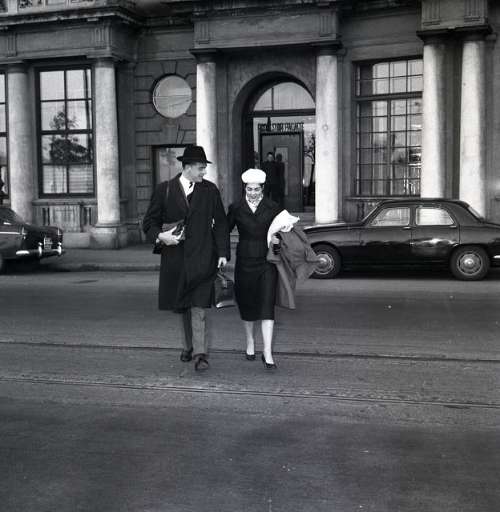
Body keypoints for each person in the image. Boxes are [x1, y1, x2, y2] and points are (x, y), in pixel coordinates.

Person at [143, 145, 230, 372]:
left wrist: (222, 253)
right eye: (201, 168)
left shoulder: (210, 190)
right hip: (176, 259)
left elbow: (221, 223)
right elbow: (149, 224)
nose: (204, 172)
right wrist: (161, 236)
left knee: (199, 306)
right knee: (183, 305)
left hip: (203, 257)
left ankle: (200, 354)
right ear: (188, 167)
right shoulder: (164, 190)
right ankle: (189, 346)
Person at [227, 168, 283, 369]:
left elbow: (283, 232)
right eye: (249, 189)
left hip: (267, 261)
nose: (252, 193)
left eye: (256, 189)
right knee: (247, 303)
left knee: (267, 304)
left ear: (263, 188)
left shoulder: (273, 207)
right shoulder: (236, 207)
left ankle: (267, 351)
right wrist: (222, 255)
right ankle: (250, 341)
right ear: (245, 188)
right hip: (244, 261)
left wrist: (278, 240)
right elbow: (224, 230)